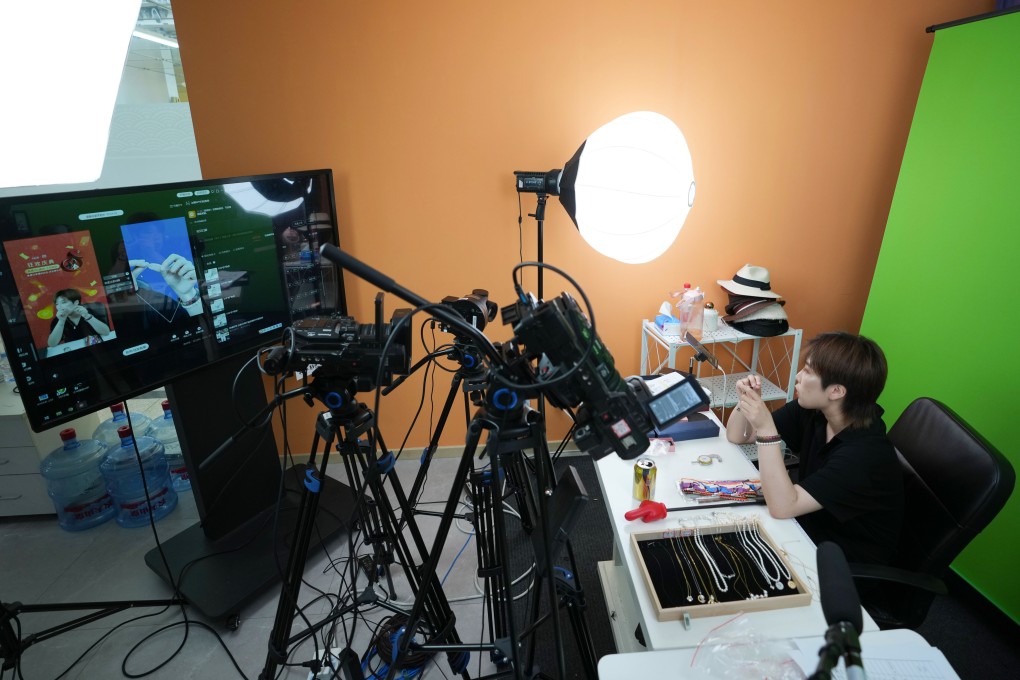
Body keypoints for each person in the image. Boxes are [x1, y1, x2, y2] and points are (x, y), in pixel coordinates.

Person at [726, 331, 903, 565]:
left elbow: (781, 507)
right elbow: (737, 436)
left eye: (808, 371)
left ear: (836, 391)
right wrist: (746, 400)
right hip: (805, 528)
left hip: (840, 562)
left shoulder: (864, 454)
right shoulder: (815, 412)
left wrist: (766, 429)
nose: (798, 376)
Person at [47, 289, 112, 347]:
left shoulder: (90, 311)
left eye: (63, 302)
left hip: (96, 347)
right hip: (74, 350)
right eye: (57, 304)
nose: (59, 307)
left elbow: (106, 332)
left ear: (76, 303)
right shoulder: (57, 320)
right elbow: (52, 344)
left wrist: (87, 316)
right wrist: (61, 321)